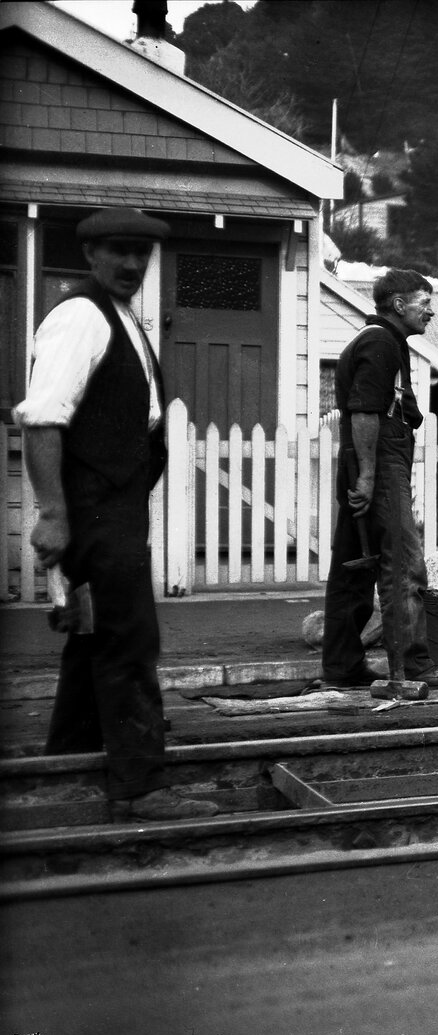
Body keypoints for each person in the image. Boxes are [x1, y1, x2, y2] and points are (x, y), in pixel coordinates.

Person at [15, 206, 219, 821]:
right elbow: (44, 418)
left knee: (94, 637)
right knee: (129, 639)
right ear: (89, 256)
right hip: (94, 508)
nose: (132, 264)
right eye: (118, 252)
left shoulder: (121, 315)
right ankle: (141, 785)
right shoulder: (80, 316)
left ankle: (68, 762)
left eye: (142, 253)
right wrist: (53, 513)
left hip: (117, 505)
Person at [319, 268, 438, 690]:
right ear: (399, 305)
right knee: (403, 564)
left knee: (354, 567)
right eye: (424, 302)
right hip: (379, 464)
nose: (431, 311)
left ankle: (342, 667)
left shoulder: (386, 342)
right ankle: (412, 669)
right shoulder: (381, 342)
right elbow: (364, 411)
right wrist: (368, 476)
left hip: (369, 462)